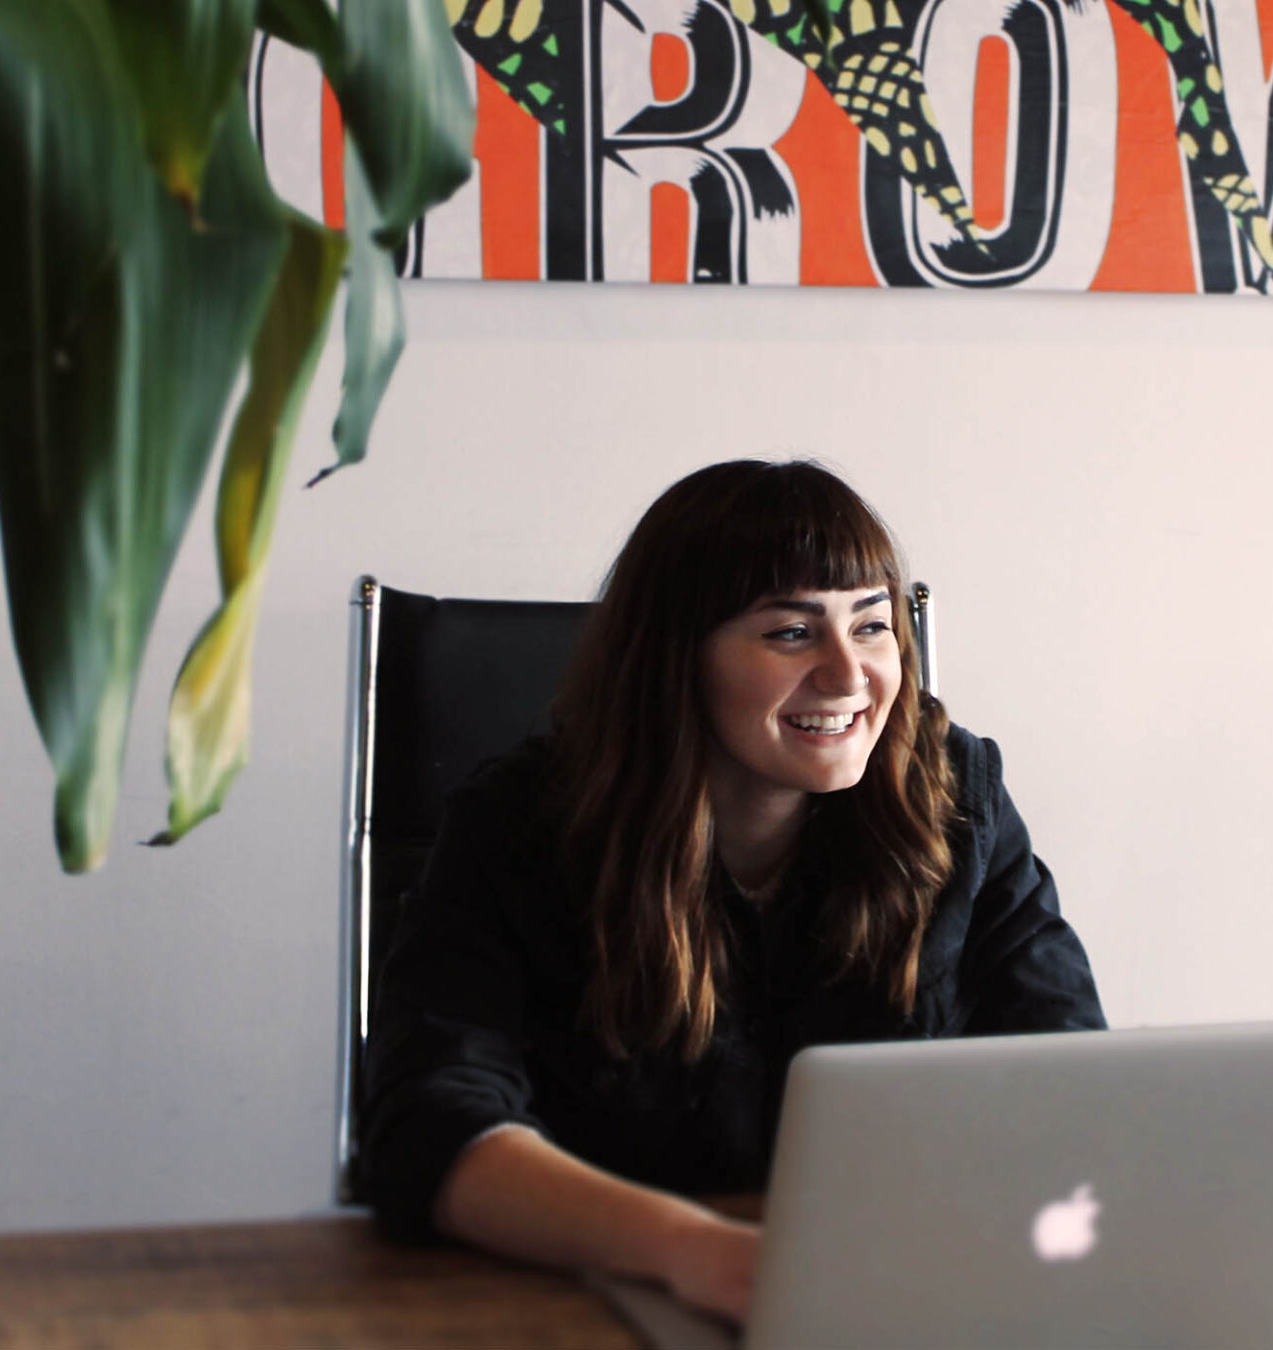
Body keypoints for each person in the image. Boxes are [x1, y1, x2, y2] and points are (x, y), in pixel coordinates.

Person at [360, 460, 1105, 1323]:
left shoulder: (954, 798)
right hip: (593, 1300)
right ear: (676, 660)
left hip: (900, 1299)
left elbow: (1074, 1076)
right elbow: (428, 1127)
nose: (848, 675)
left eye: (871, 626)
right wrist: (691, 1251)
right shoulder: (517, 830)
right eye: (791, 632)